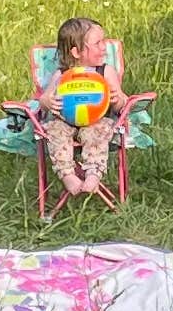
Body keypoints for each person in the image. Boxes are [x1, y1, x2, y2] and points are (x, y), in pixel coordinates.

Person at [33, 14, 127, 205]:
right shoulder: (62, 75)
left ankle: (93, 173)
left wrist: (117, 99)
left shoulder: (105, 71)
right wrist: (47, 102)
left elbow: (121, 103)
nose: (104, 47)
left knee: (98, 132)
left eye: (104, 41)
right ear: (77, 52)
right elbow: (44, 99)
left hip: (97, 120)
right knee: (54, 131)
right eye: (98, 43)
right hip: (64, 120)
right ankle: (67, 174)